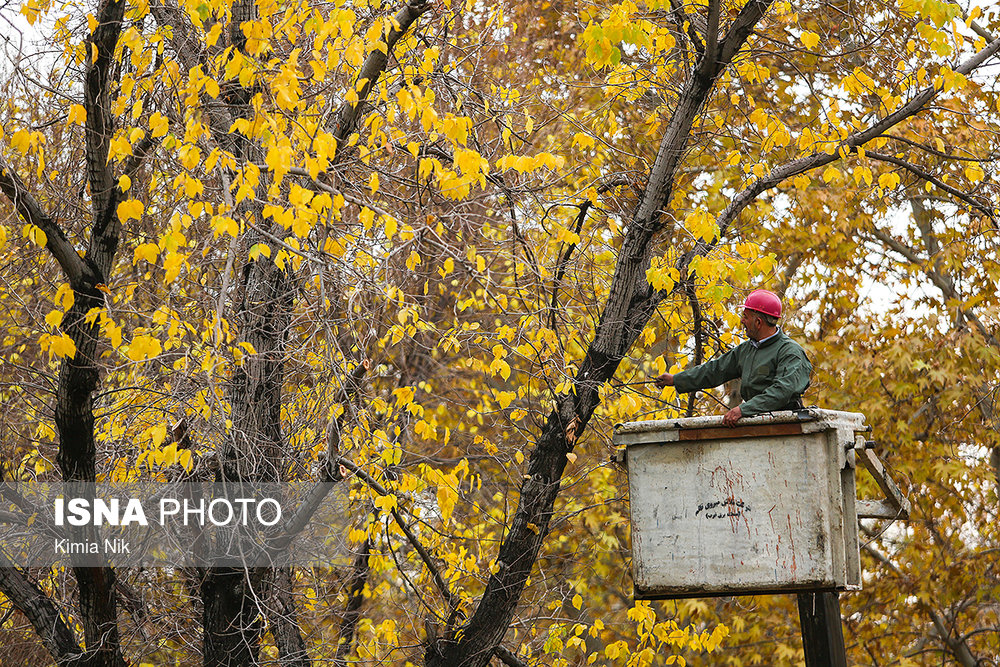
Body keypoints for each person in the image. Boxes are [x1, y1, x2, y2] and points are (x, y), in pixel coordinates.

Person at [654, 289, 812, 426]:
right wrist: (676, 379)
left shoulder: (790, 352)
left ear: (758, 322)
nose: (742, 321)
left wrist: (743, 410)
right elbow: (715, 370)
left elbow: (782, 391)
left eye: (746, 316)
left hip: (786, 426)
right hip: (757, 423)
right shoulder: (747, 349)